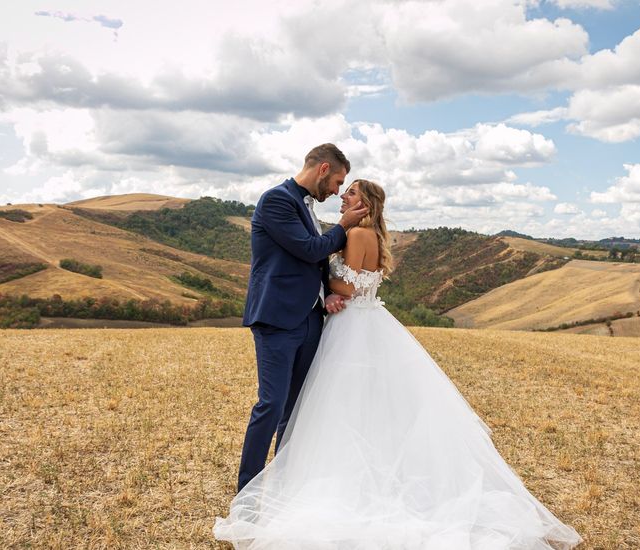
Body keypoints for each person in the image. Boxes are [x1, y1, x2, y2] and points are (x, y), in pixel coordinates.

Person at [214, 179, 583, 549]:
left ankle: (335, 486)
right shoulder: (366, 234)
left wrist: (325, 289)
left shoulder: (357, 235)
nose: (344, 196)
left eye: (351, 192)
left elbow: (349, 285)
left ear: (368, 204)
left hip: (352, 325)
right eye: (344, 190)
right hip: (363, 320)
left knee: (340, 409)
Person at [236, 143, 369, 493]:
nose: (338, 190)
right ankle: (247, 491)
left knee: (295, 409)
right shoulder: (276, 200)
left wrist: (331, 293)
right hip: (277, 319)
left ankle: (284, 485)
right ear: (323, 169)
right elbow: (309, 249)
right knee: (272, 404)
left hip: (311, 320)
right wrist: (343, 224)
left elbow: (313, 263)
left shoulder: (307, 206)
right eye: (338, 182)